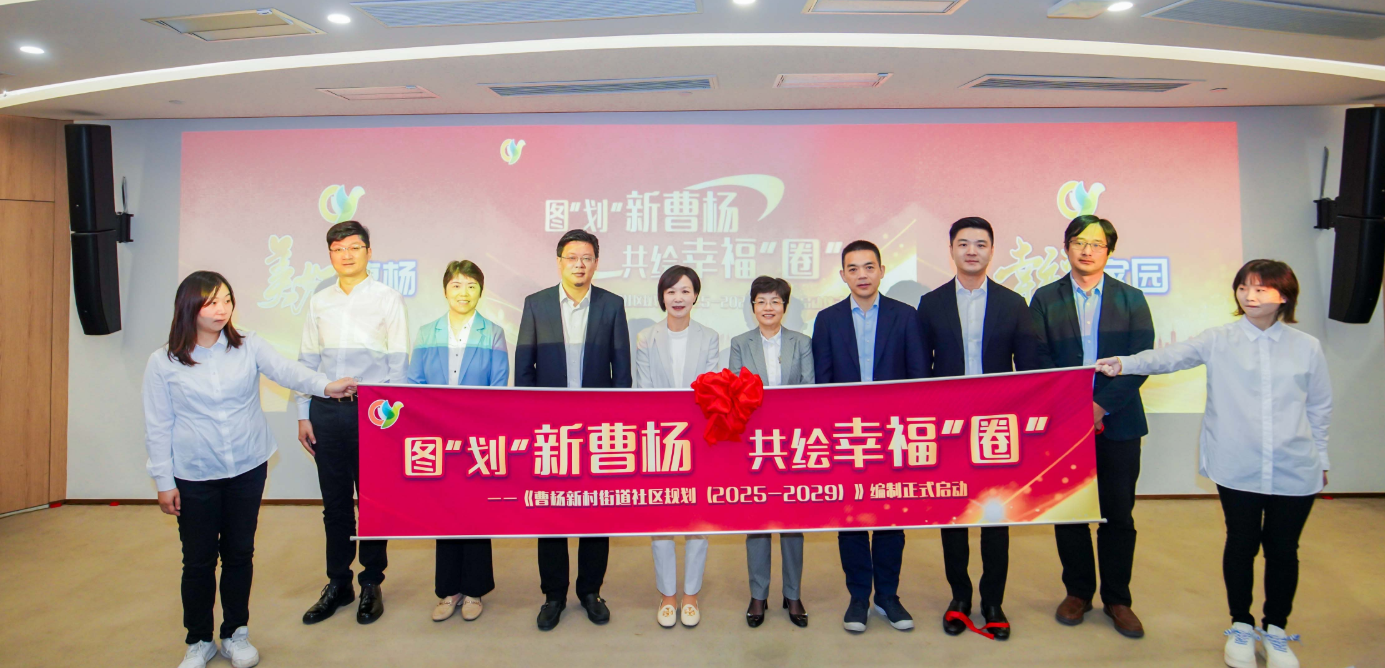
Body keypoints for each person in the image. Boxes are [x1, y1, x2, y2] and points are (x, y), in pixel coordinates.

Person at [1095, 260, 1329, 668]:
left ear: (1284, 296)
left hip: (1295, 465)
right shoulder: (1220, 339)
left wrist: (1321, 457)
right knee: (1240, 543)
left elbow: (1320, 407)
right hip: (1237, 464)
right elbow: (1168, 358)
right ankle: (1240, 625)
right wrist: (1125, 363)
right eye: (1243, 287)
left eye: (1261, 288)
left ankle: (1276, 630)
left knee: (1283, 549)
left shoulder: (1306, 346)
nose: (1249, 295)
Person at [143, 271, 356, 668]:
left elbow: (289, 372)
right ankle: (199, 640)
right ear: (189, 306)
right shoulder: (164, 361)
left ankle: (235, 633)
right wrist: (163, 480)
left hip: (246, 465)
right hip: (195, 473)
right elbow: (158, 424)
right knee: (199, 560)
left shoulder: (248, 345)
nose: (222, 309)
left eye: (227, 300)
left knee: (239, 553)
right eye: (211, 302)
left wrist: (326, 387)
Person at [1029, 214, 1153, 639]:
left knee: (1118, 514)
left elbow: (1142, 360)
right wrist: (1073, 406)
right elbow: (1037, 358)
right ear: (1066, 247)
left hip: (1119, 422)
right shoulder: (1045, 298)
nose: (1087, 250)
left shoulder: (1131, 298)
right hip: (1063, 422)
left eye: (1097, 244)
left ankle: (1118, 599)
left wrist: (1100, 406)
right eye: (1079, 242)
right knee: (1070, 512)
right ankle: (1078, 592)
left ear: (1109, 251)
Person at [916, 217, 1040, 641]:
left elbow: (1030, 370)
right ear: (951, 249)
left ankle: (992, 602)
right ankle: (960, 597)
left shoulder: (1013, 303)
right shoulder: (931, 304)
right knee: (953, 514)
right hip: (948, 426)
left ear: (991, 250)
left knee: (994, 515)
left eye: (980, 244)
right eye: (964, 243)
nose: (972, 251)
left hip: (997, 426)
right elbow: (921, 370)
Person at [515, 229, 632, 631]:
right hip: (549, 430)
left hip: (599, 430)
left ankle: (590, 590)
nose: (579, 264)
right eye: (571, 257)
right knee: (551, 512)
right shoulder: (536, 304)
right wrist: (530, 425)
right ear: (559, 262)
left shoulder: (612, 305)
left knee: (595, 511)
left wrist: (617, 425)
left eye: (586, 258)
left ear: (596, 263)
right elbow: (524, 370)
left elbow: (622, 373)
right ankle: (553, 594)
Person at [297, 220, 410, 626]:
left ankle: (371, 582)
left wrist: (393, 421)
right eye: (338, 248)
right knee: (335, 504)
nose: (346, 255)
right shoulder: (319, 301)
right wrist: (303, 414)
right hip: (326, 410)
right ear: (330, 254)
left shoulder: (387, 299)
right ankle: (338, 582)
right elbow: (307, 361)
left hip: (373, 412)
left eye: (354, 247)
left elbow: (398, 364)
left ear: (368, 252)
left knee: (375, 501)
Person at [811, 239, 927, 634]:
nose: (862, 275)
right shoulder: (827, 320)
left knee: (891, 517)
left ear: (881, 271)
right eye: (853, 268)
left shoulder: (905, 316)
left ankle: (888, 596)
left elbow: (918, 379)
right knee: (852, 519)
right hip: (847, 436)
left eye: (869, 267)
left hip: (894, 435)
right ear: (843, 275)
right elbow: (822, 382)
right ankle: (859, 596)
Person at [406, 260, 509, 624]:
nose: (463, 293)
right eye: (456, 285)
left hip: (477, 439)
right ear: (445, 290)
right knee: (444, 512)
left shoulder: (493, 333)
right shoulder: (427, 332)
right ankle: (449, 589)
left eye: (471, 286)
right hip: (436, 438)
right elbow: (415, 384)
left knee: (476, 511)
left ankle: (475, 589)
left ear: (480, 291)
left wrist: (472, 425)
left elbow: (498, 388)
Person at [634, 265, 720, 628]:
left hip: (699, 440)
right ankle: (668, 595)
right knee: (663, 519)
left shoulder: (710, 337)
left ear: (695, 295)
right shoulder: (645, 337)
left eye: (685, 291)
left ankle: (691, 594)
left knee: (698, 520)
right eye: (671, 291)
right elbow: (643, 390)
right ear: (662, 297)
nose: (678, 298)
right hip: (659, 439)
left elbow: (711, 390)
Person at [728, 275, 814, 629]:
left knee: (792, 522)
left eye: (775, 301)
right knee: (758, 520)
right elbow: (735, 393)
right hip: (756, 444)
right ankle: (758, 594)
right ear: (753, 307)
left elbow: (809, 390)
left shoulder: (802, 342)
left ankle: (792, 593)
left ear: (784, 307)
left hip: (793, 443)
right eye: (761, 301)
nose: (768, 307)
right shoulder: (739, 343)